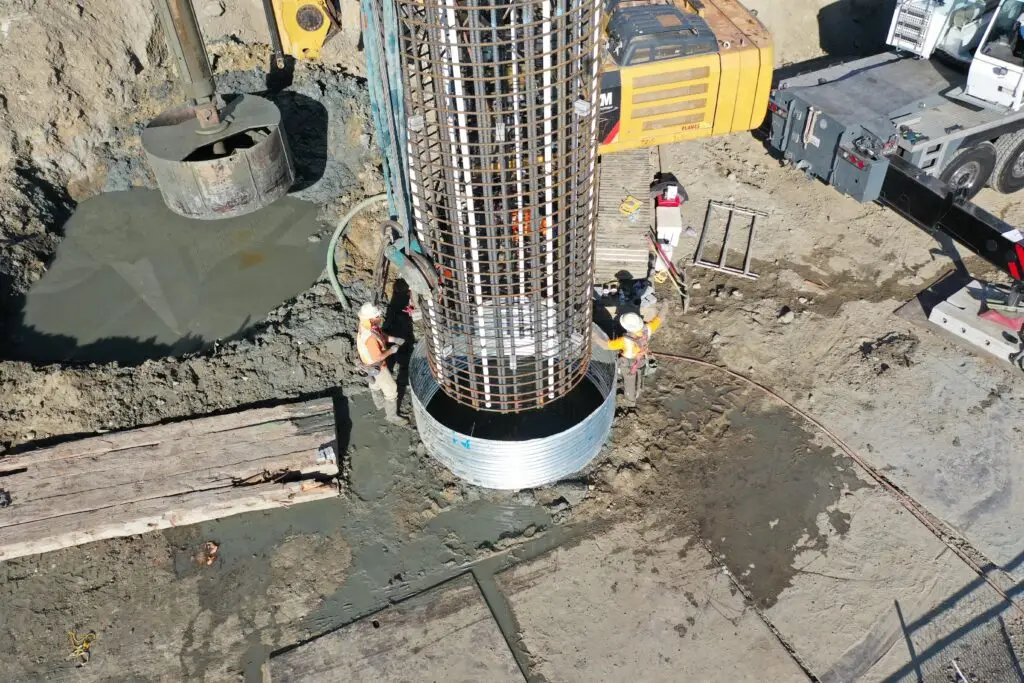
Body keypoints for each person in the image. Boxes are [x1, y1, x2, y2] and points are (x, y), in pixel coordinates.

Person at [598, 307, 666, 407]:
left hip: (628, 363)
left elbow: (605, 345)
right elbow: (661, 317)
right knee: (639, 373)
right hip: (641, 359)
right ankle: (638, 390)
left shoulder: (623, 341)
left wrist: (594, 336)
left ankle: (630, 401)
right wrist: (665, 304)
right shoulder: (647, 329)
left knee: (629, 381)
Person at [356, 302, 408, 426]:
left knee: (375, 385)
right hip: (377, 367)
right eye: (378, 316)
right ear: (371, 319)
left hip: (367, 364)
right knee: (391, 390)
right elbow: (377, 357)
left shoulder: (366, 326)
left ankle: (379, 403)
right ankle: (391, 416)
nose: (380, 318)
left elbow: (380, 335)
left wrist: (393, 339)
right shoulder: (370, 339)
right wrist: (391, 350)